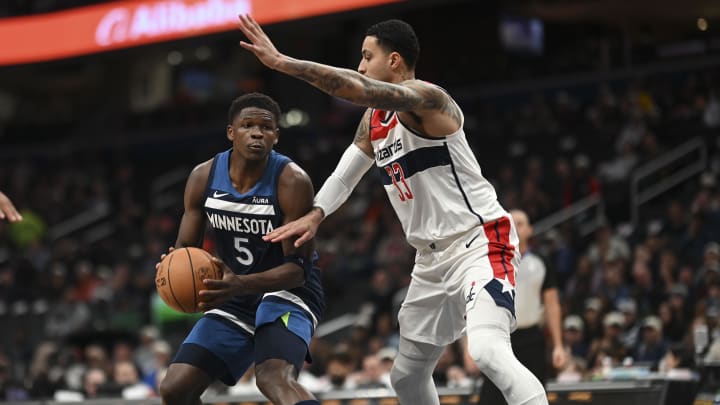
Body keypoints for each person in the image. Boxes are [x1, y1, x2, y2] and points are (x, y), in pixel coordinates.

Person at [241, 16, 547, 405]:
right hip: (430, 261)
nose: (361, 65)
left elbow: (356, 87)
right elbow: (346, 174)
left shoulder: (430, 100)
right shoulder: (374, 121)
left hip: (479, 242)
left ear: (395, 61)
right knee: (405, 377)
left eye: (367, 56)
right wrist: (315, 214)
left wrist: (283, 63)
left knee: (487, 351)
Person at [157, 93, 325, 405]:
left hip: (288, 293)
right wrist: (172, 265)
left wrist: (241, 283)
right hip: (235, 293)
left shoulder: (292, 181)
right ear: (231, 132)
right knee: (174, 389)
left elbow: (298, 272)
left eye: (266, 127)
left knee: (273, 377)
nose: (257, 132)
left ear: (276, 135)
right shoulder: (203, 176)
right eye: (247, 125)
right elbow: (185, 249)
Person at [476, 209, 566, 405]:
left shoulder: (541, 261)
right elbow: (476, 301)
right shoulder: (489, 260)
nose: (516, 226)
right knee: (491, 398)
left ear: (530, 230)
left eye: (521, 223)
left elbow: (552, 304)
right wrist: (470, 343)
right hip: (500, 338)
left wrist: (558, 345)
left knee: (533, 396)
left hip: (532, 339)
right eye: (511, 221)